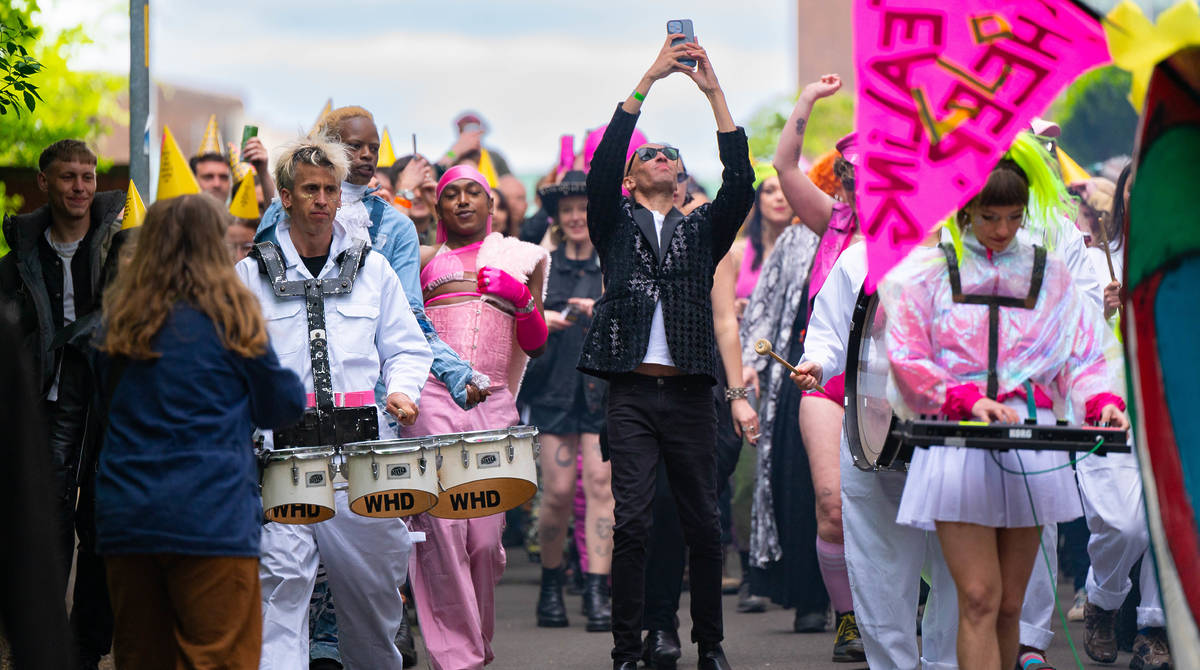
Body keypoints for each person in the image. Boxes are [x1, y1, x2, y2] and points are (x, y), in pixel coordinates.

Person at [879, 157, 1129, 670]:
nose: (1002, 230)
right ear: (967, 209)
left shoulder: (1049, 271)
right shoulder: (930, 272)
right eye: (991, 216)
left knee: (1011, 605)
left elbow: (1081, 352)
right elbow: (907, 357)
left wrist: (1103, 401)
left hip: (1033, 443)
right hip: (956, 444)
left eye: (1014, 217)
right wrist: (965, 399)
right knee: (977, 597)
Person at [579, 34, 753, 670]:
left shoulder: (704, 228)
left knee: (704, 525)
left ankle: (710, 643)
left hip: (688, 394)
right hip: (630, 392)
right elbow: (600, 167)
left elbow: (742, 181)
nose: (660, 157)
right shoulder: (613, 222)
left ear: (681, 178)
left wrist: (714, 96)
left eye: (669, 155)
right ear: (631, 177)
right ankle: (628, 648)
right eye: (648, 153)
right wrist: (648, 79)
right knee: (633, 525)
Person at [236, 134, 434, 668]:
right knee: (280, 592)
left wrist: (402, 391)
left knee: (373, 604)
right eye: (309, 189)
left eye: (330, 189)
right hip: (281, 460)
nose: (322, 199)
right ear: (284, 195)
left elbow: (408, 348)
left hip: (363, 459)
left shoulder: (372, 270)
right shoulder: (250, 274)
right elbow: (228, 360)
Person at [95, 194, 305, 669]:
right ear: (214, 247)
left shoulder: (120, 323)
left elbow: (104, 400)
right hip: (210, 516)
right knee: (219, 657)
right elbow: (282, 405)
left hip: (128, 516)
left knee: (142, 657)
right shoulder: (232, 321)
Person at [405, 163, 549, 670]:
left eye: (473, 193)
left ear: (492, 204)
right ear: (439, 206)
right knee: (441, 531)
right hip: (433, 398)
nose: (463, 201)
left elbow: (533, 344)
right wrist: (406, 196)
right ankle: (457, 657)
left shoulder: (521, 259)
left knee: (485, 541)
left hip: (494, 405)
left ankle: (475, 644)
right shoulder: (423, 257)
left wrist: (522, 300)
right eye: (452, 195)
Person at [0, 138, 125, 669]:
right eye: (68, 176)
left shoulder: (125, 246)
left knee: (102, 528)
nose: (80, 187)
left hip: (111, 404)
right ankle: (42, 649)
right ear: (44, 182)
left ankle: (86, 650)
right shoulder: (18, 259)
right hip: (46, 404)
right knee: (44, 526)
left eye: (88, 176)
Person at [1076, 162, 1171, 669]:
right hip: (1105, 411)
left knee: (1166, 522)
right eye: (1137, 187)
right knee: (1125, 526)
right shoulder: (1093, 263)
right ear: (1124, 196)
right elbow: (1065, 339)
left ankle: (1155, 629)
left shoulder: (1182, 262)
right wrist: (1106, 311)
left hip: (1168, 408)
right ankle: (1103, 601)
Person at [522, 170, 613, 633]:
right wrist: (544, 319)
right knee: (556, 494)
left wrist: (604, 312)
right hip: (555, 389)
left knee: (601, 488)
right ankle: (552, 584)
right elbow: (518, 325)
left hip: (602, 392)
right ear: (557, 216)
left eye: (584, 208)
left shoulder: (613, 263)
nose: (577, 217)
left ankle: (597, 589)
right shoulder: (542, 263)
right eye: (569, 210)